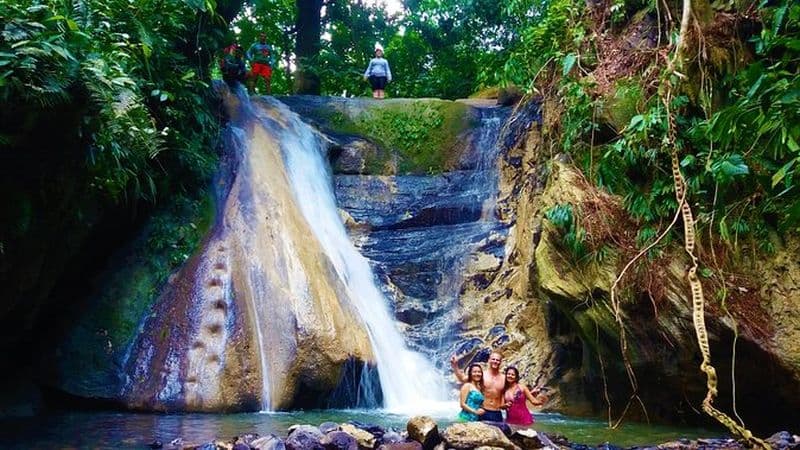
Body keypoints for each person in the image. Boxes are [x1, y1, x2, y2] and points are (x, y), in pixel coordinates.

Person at [451, 351, 505, 422]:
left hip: (496, 412)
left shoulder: (504, 378)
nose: (495, 361)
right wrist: (455, 366)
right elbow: (463, 379)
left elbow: (513, 390)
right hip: (483, 410)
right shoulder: (481, 375)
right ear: (489, 360)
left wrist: (505, 404)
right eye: (493, 359)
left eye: (497, 360)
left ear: (501, 362)